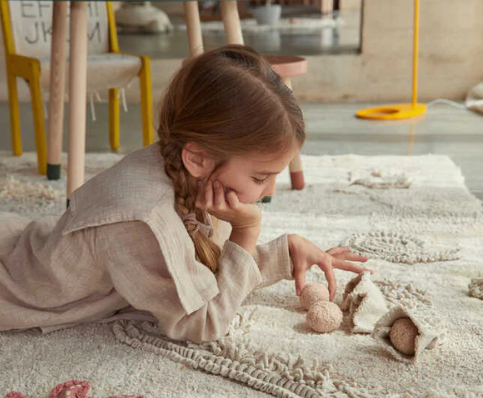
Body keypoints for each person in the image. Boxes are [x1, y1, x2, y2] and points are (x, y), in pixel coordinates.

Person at [0, 45, 369, 342]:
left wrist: (283, 254)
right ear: (197, 157)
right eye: (260, 177)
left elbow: (200, 269)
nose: (269, 191)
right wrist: (245, 232)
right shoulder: (141, 222)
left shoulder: (188, 173)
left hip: (27, 243)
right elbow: (201, 322)